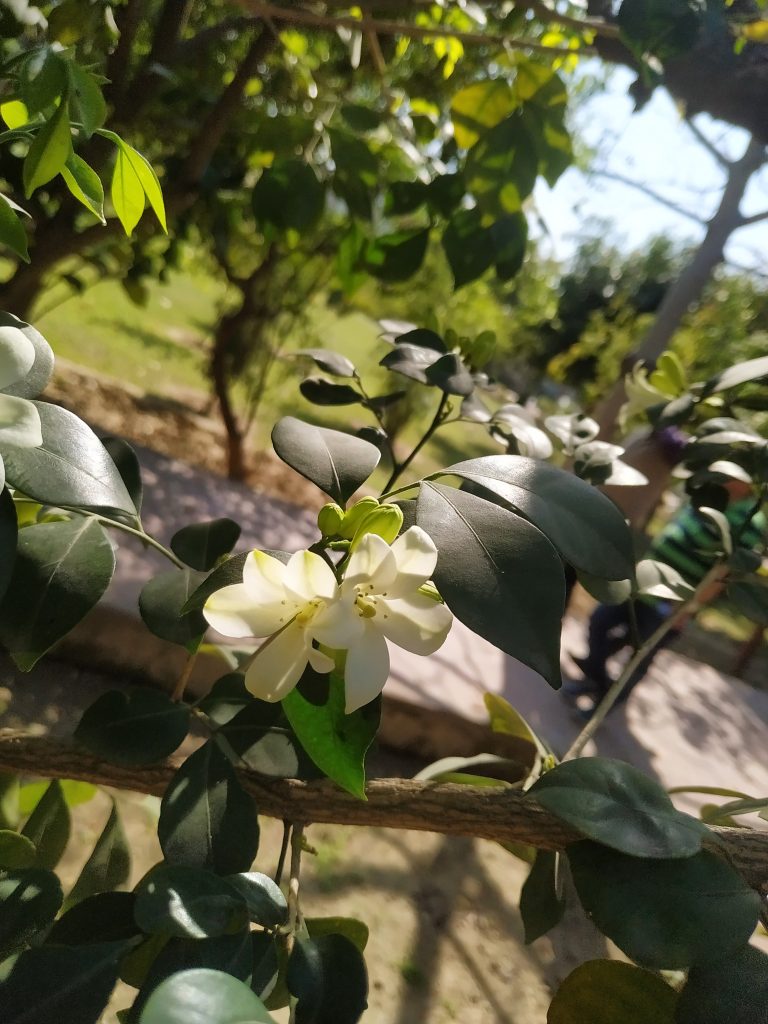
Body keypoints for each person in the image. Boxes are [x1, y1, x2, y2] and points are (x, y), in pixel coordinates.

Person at [568, 476, 766, 718]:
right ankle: (597, 680)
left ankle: (601, 708)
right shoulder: (709, 493)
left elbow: (722, 573)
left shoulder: (749, 520)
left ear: (749, 481)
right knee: (600, 621)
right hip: (641, 582)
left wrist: (687, 609)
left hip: (670, 601)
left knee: (637, 660)